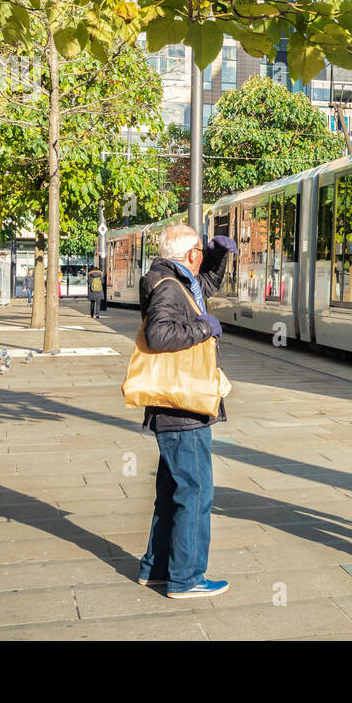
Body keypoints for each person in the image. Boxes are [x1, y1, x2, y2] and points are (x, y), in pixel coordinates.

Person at [135, 225, 238, 600]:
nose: (202, 254)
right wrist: (204, 327)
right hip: (183, 408)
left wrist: (216, 257)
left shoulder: (172, 279)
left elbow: (203, 287)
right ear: (189, 254)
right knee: (196, 492)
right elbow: (160, 336)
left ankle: (157, 569)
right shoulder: (167, 286)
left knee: (172, 491)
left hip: (174, 407)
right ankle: (186, 577)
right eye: (200, 248)